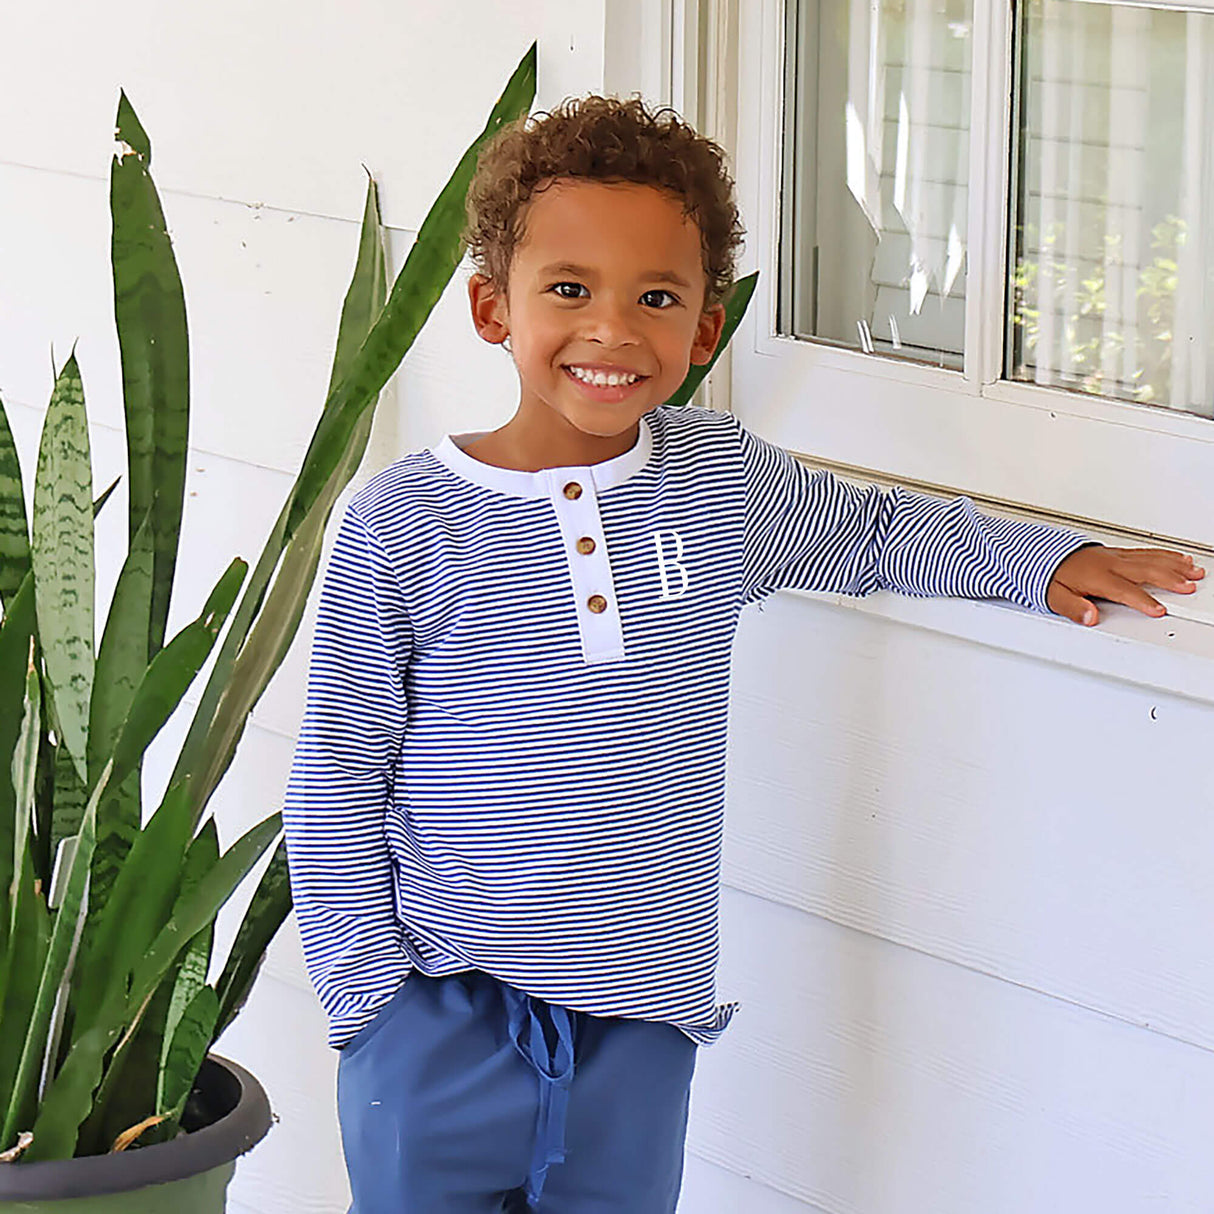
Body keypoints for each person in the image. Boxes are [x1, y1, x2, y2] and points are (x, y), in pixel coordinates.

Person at [280, 95, 1204, 1214]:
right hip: (438, 1019)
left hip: (645, 1024)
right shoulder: (406, 521)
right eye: (568, 289)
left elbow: (875, 533)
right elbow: (336, 775)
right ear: (492, 305)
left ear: (703, 330)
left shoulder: (720, 484)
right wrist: (369, 1004)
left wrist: (1043, 560)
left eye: (655, 298)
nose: (613, 330)